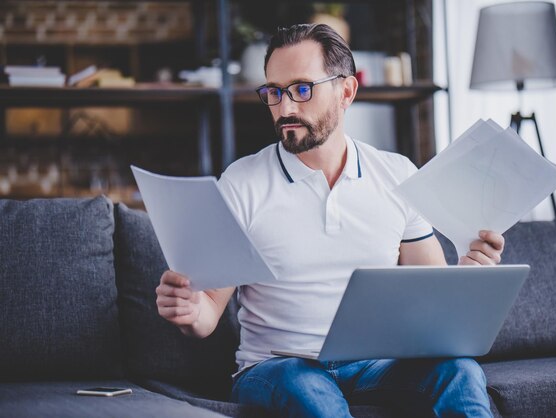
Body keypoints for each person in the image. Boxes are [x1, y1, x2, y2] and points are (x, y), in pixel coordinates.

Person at [156, 23, 504, 418]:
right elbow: (207, 312)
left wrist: (470, 271)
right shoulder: (242, 183)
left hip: (375, 364)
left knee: (459, 370)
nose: (285, 108)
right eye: (274, 92)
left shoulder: (397, 174)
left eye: (302, 89)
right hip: (277, 369)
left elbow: (433, 302)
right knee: (307, 387)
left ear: (347, 91)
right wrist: (187, 309)